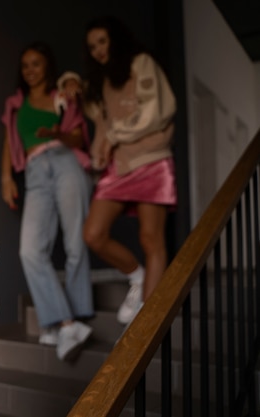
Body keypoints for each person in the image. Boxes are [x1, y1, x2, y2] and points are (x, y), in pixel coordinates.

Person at [0, 41, 93, 361]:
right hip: (36, 172)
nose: (30, 70)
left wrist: (56, 132)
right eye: (25, 65)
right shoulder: (16, 103)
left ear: (47, 67)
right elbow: (8, 143)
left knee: (75, 242)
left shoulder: (61, 97)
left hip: (66, 162)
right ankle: (66, 323)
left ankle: (73, 319)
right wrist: (7, 177)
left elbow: (79, 136)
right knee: (30, 250)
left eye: (36, 64)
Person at [81, 16, 177, 326]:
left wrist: (116, 134)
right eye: (92, 47)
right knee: (93, 234)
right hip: (119, 166)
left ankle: (147, 326)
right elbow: (99, 123)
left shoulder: (141, 62)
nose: (97, 50)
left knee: (152, 240)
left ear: (115, 39)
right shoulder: (103, 81)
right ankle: (137, 276)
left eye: (102, 42)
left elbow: (158, 110)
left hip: (150, 159)